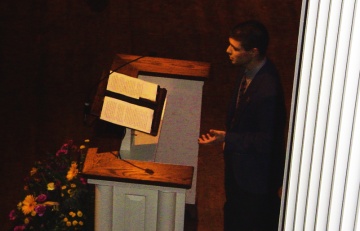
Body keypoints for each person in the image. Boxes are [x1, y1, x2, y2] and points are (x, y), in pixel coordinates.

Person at [198, 20, 286, 231]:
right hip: (241, 171)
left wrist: (227, 138)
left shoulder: (268, 91)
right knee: (234, 214)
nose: (228, 51)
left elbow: (266, 141)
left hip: (255, 179)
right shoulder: (248, 69)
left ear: (253, 51)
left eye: (235, 48)